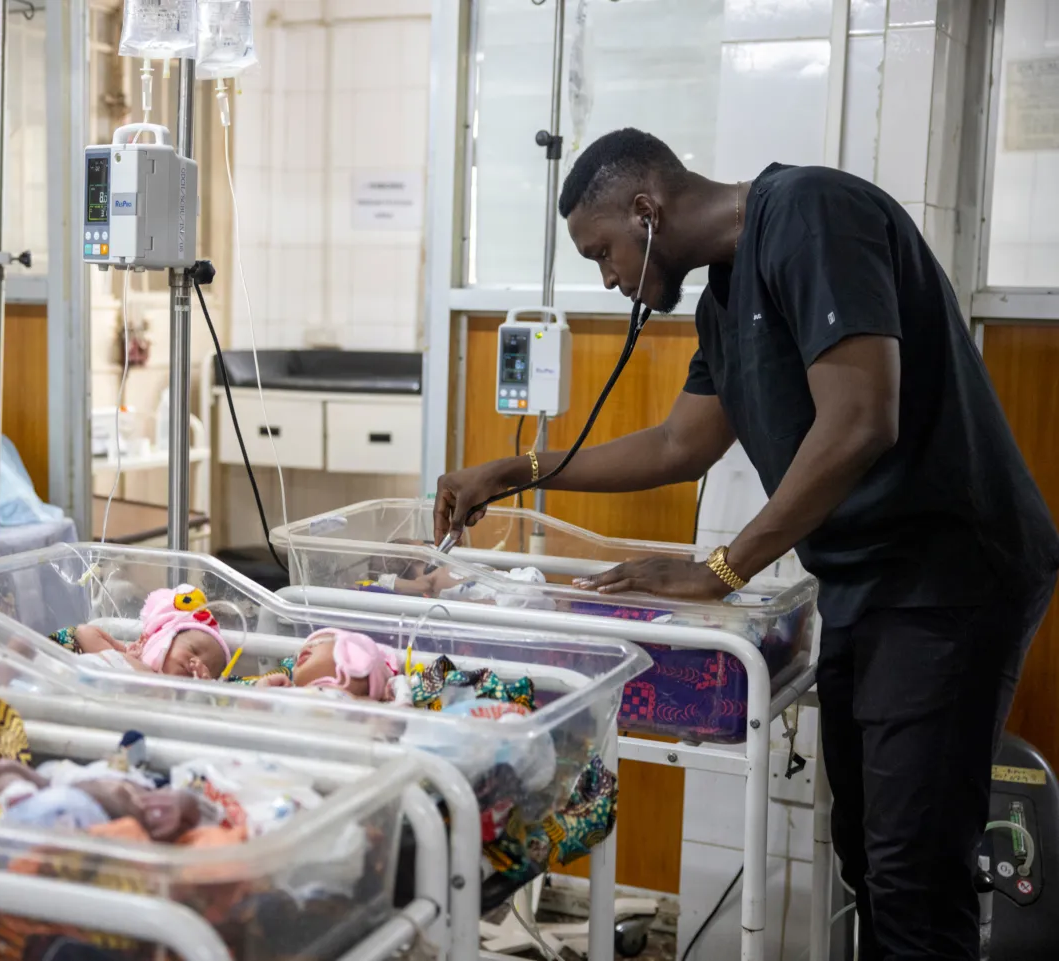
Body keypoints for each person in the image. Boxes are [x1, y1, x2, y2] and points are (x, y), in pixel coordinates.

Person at [432, 128, 1059, 961]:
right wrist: (515, 468)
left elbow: (863, 417)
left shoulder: (811, 214)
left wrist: (721, 568)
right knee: (869, 852)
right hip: (872, 584)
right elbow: (675, 446)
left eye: (603, 252)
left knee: (914, 873)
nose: (609, 277)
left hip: (948, 576)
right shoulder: (723, 298)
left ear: (646, 209)